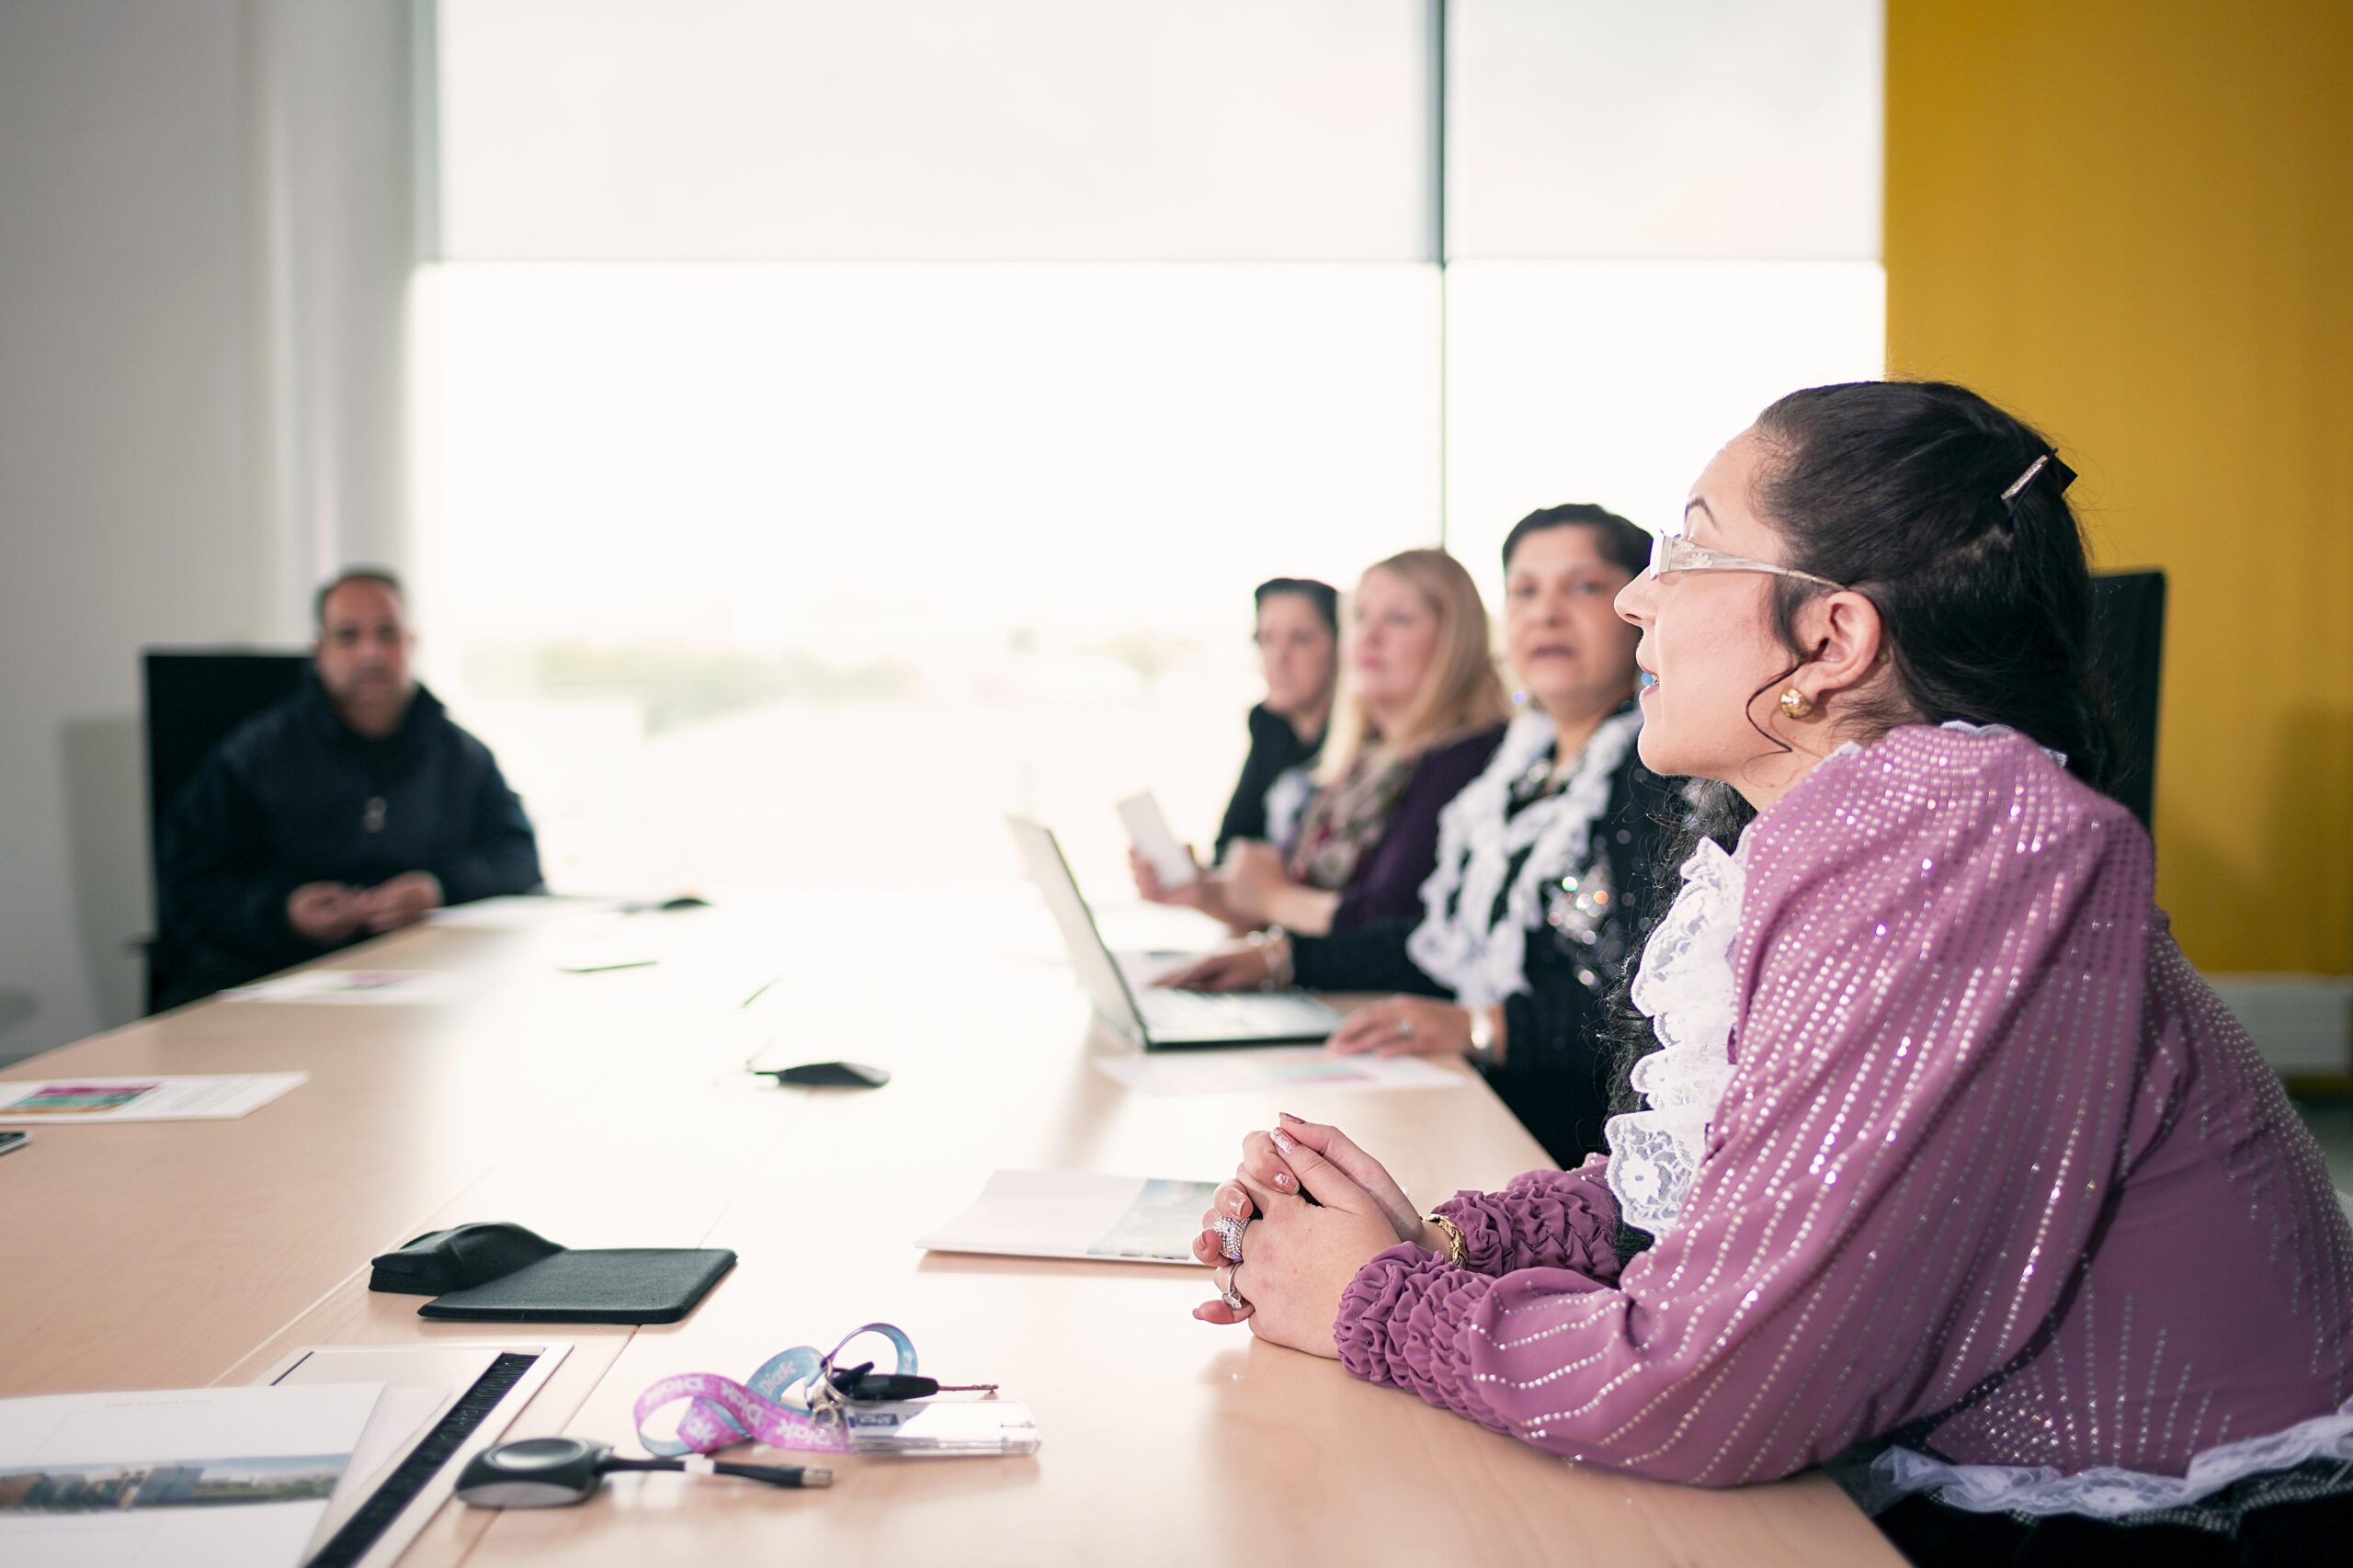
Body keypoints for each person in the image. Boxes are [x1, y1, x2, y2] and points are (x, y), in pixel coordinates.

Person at [1187, 381, 2353, 1562]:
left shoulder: (1953, 838)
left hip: (2165, 1523)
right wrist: (1435, 1242)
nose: (1638, 595)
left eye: (1686, 546)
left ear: (1831, 637)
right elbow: (1722, 1185)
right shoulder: (1869, 826)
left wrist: (1375, 1299)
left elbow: (1711, 1386)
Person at [1160, 506, 1682, 1165]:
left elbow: (1652, 1011)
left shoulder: (1653, 779)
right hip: (1472, 1104)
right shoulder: (1517, 772)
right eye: (1525, 591)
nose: (1546, 614)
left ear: (1633, 606)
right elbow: (1436, 945)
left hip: (1569, 1156)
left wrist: (1481, 1026)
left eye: (1579, 587)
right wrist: (1283, 959)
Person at [155, 568, 543, 1005]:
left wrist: (440, 887)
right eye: (348, 636)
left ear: (411, 644)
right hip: (278, 987)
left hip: (431, 989)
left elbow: (519, 857)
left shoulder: (463, 756)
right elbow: (188, 886)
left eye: (387, 633)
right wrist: (283, 913)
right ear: (319, 651)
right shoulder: (254, 755)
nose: (370, 653)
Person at [1135, 549, 1510, 937]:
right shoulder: (1361, 758)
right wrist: (1202, 894)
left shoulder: (1468, 757)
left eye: (1398, 619)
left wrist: (1273, 900)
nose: (1370, 635)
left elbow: (1395, 927)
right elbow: (1293, 908)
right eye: (1360, 617)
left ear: (1454, 639)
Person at [1213, 577, 1338, 861]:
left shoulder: (1364, 742)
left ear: (1340, 646)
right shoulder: (1270, 726)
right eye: (1266, 639)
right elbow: (1230, 846)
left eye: (1300, 639)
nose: (1278, 657)